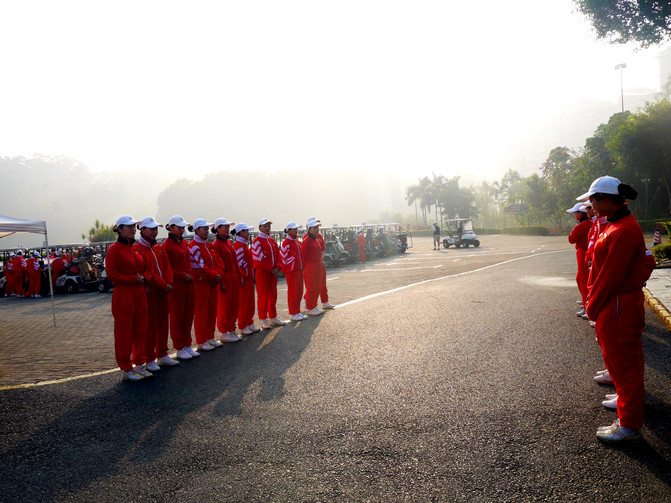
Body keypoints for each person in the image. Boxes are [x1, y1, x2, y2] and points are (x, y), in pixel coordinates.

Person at [578, 176, 655, 443]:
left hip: (618, 303)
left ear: (606, 199)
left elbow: (610, 277)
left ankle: (630, 426)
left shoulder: (622, 229)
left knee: (625, 366)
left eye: (593, 200)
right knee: (619, 364)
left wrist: (593, 306)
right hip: (615, 303)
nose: (591, 206)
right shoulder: (616, 225)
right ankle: (627, 417)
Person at [105, 215, 150, 381]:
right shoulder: (114, 250)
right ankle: (126, 367)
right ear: (119, 229)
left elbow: (146, 268)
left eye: (134, 226)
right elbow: (112, 275)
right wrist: (133, 278)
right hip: (123, 294)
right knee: (124, 332)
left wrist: (144, 277)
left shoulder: (136, 248)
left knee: (141, 330)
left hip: (139, 293)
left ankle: (139, 363)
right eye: (129, 226)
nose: (133, 229)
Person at [134, 217, 178, 370]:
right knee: (150, 327)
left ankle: (162, 354)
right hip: (151, 293)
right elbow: (148, 274)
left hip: (163, 292)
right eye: (151, 229)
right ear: (142, 230)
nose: (154, 231)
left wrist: (169, 283)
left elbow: (167, 268)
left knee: (163, 324)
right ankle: (149, 358)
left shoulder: (159, 248)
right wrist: (163, 285)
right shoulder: (138, 249)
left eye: (156, 229)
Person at [163, 215, 199, 360]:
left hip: (188, 283)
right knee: (177, 316)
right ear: (171, 228)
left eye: (183, 227)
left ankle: (187, 344)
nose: (182, 230)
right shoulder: (166, 245)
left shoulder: (184, 243)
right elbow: (167, 267)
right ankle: (179, 347)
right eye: (179, 227)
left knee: (188, 315)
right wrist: (180, 275)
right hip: (177, 285)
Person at [188, 218, 223, 351]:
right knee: (202, 312)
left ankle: (210, 337)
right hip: (202, 283)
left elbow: (218, 262)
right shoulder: (194, 246)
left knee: (211, 311)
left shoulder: (209, 245)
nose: (207, 231)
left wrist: (218, 274)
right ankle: (201, 340)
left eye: (207, 229)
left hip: (212, 283)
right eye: (204, 229)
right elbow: (200, 266)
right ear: (196, 230)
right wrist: (216, 275)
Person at [212, 218, 242, 342]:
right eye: (225, 227)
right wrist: (222, 282)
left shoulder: (228, 244)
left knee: (234, 305)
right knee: (225, 306)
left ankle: (231, 329)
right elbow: (217, 265)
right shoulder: (216, 245)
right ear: (218, 229)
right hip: (225, 278)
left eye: (228, 227)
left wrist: (239, 276)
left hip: (233, 277)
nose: (227, 229)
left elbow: (235, 262)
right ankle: (224, 332)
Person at [252, 218, 286, 329]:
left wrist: (278, 267)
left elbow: (278, 256)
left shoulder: (272, 241)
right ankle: (263, 319)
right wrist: (271, 268)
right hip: (263, 273)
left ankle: (273, 317)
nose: (267, 228)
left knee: (273, 296)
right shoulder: (256, 241)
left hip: (273, 274)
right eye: (265, 226)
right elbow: (257, 260)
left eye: (268, 226)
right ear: (260, 227)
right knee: (263, 296)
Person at [232, 223, 260, 335]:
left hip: (248, 278)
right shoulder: (238, 246)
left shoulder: (243, 245)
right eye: (246, 231)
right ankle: (243, 325)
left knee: (250, 302)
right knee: (244, 303)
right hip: (244, 279)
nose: (248, 233)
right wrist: (242, 276)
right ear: (240, 233)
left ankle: (249, 322)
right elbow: (238, 264)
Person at [566, 202, 591, 317]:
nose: (574, 216)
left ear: (581, 213)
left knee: (584, 280)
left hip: (583, 253)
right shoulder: (591, 223)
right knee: (580, 279)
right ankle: (586, 300)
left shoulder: (581, 226)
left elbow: (571, 239)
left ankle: (587, 307)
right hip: (587, 252)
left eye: (575, 213)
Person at [280, 222, 306, 321]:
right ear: (289, 230)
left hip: (298, 270)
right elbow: (283, 257)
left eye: (296, 229)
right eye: (293, 229)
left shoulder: (296, 241)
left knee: (299, 292)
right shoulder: (286, 242)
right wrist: (286, 270)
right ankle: (293, 313)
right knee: (293, 292)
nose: (296, 230)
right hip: (291, 271)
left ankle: (297, 311)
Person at [309, 217, 335, 310]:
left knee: (322, 283)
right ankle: (308, 302)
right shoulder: (307, 238)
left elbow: (323, 248)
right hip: (313, 265)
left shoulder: (319, 236)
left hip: (320, 263)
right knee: (312, 286)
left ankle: (325, 301)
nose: (317, 228)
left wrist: (322, 258)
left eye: (317, 226)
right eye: (314, 226)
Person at [301, 218, 325, 316]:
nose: (316, 230)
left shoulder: (316, 240)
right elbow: (303, 256)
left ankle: (314, 305)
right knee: (311, 287)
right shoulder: (306, 241)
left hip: (317, 265)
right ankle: (309, 307)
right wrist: (303, 268)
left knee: (317, 286)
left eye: (317, 228)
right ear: (309, 229)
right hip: (310, 266)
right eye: (314, 228)